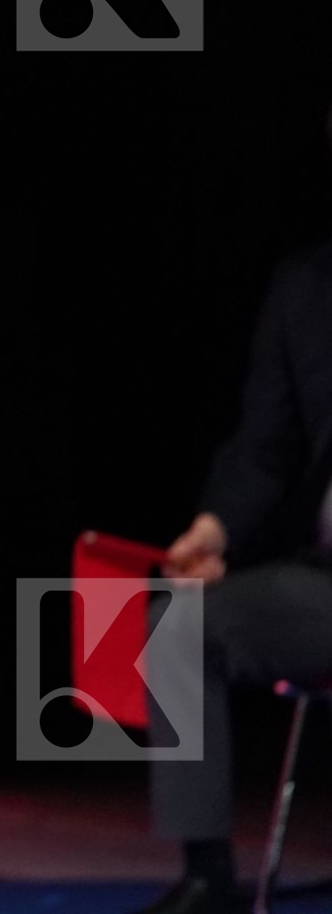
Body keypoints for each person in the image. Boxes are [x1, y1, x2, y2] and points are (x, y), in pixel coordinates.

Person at [138, 234, 332, 914]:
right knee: (181, 623)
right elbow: (264, 445)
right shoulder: (305, 285)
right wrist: (214, 529)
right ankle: (205, 877)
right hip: (324, 590)